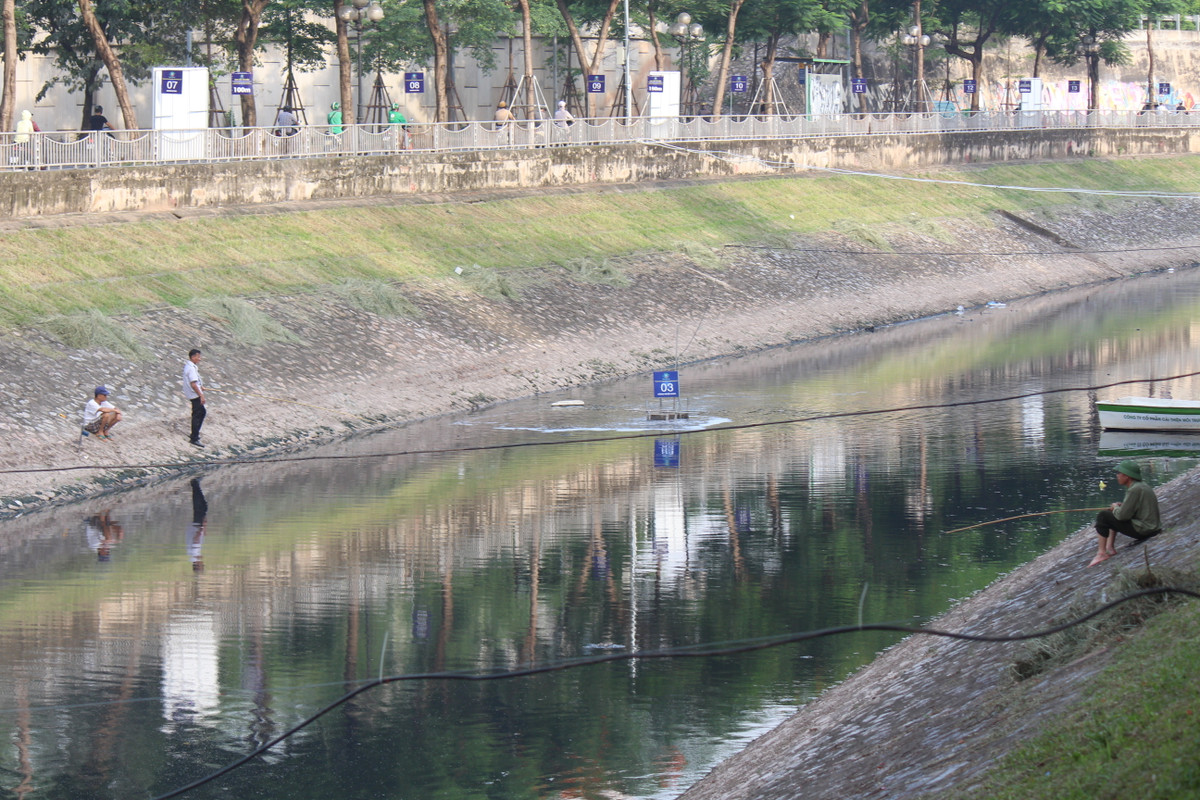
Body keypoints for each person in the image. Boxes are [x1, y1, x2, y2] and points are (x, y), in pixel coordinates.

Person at [1089, 460, 1161, 567]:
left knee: (1103, 516)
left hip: (1145, 529)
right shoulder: (1141, 486)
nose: (1117, 476)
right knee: (1112, 513)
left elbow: (1123, 516)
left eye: (1119, 473)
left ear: (1127, 476)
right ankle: (1110, 548)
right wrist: (1120, 507)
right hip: (1151, 527)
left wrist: (1116, 508)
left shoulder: (1134, 490)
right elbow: (1134, 509)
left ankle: (1101, 553)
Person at [182, 348, 206, 448]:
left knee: (200, 413)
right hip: (194, 395)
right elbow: (193, 384)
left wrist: (201, 387)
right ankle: (194, 438)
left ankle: (194, 434)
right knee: (199, 414)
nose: (200, 359)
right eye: (198, 357)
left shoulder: (190, 366)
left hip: (193, 394)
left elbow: (195, 383)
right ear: (193, 357)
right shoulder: (191, 368)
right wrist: (201, 395)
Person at [187, 478, 208, 572]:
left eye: (201, 565)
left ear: (198, 565)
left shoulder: (194, 555)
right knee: (200, 507)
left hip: (197, 526)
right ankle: (195, 485)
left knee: (202, 506)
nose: (202, 563)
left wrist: (202, 528)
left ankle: (195, 484)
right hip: (195, 527)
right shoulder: (192, 556)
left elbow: (196, 540)